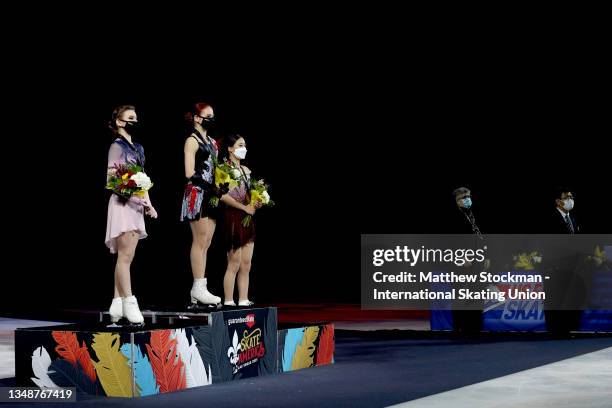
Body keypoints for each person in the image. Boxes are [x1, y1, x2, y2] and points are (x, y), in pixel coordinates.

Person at [106, 105, 157, 325]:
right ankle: (129, 301)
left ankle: (116, 302)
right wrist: (135, 197)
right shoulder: (116, 146)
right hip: (123, 203)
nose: (134, 121)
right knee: (125, 257)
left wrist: (149, 204)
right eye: (129, 118)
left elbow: (143, 179)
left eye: (136, 117)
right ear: (119, 122)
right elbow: (112, 180)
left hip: (137, 206)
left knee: (127, 257)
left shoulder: (138, 148)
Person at [181, 102, 224, 306]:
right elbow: (190, 173)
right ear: (197, 118)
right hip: (197, 193)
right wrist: (209, 185)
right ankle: (198, 286)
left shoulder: (213, 142)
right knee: (199, 241)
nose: (211, 119)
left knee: (206, 242)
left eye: (213, 115)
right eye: (208, 115)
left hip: (211, 195)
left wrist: (222, 183)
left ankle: (198, 290)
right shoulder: (192, 141)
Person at [220, 134, 260, 307]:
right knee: (234, 261)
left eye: (245, 145)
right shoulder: (223, 168)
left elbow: (250, 194)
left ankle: (243, 299)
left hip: (247, 216)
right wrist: (244, 208)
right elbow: (222, 196)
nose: (244, 148)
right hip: (233, 215)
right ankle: (229, 301)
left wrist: (256, 201)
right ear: (230, 148)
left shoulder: (246, 170)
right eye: (240, 145)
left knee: (246, 263)